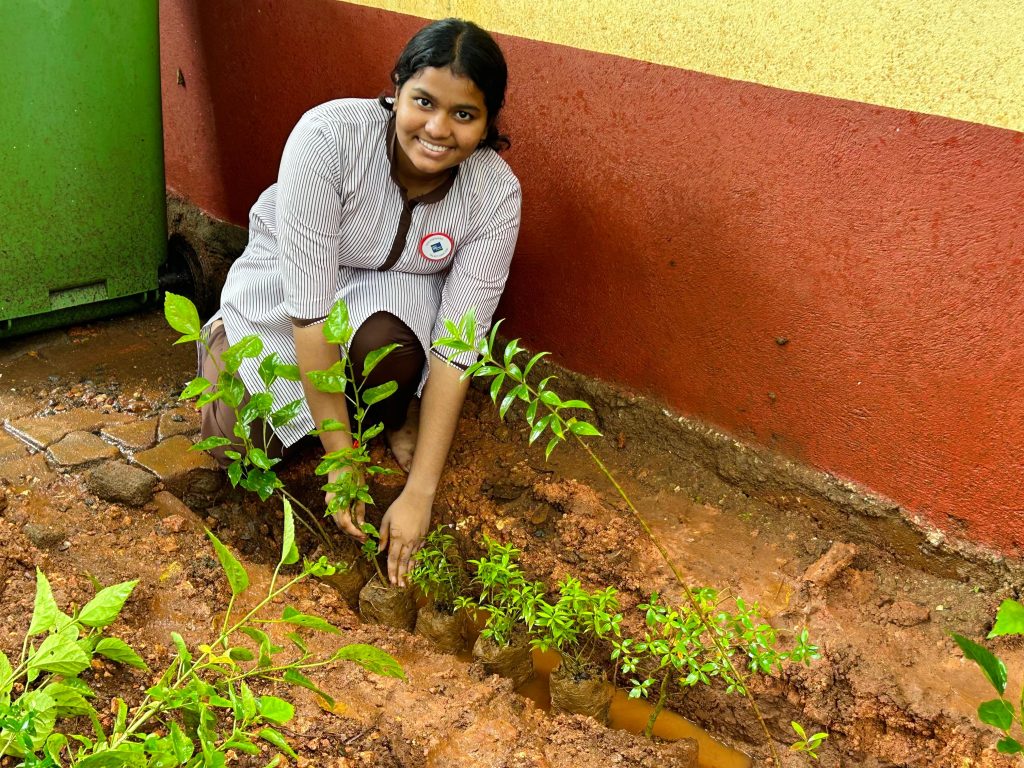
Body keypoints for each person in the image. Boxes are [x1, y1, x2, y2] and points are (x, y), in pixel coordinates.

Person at [197, 18, 521, 588]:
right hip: (288, 292)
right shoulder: (329, 139)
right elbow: (309, 313)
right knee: (235, 442)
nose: (438, 129)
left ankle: (392, 412)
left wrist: (420, 492)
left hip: (398, 290)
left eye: (464, 114)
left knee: (389, 353)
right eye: (424, 102)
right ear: (397, 89)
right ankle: (224, 342)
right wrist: (342, 461)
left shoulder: (494, 193)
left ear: (488, 121)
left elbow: (457, 346)